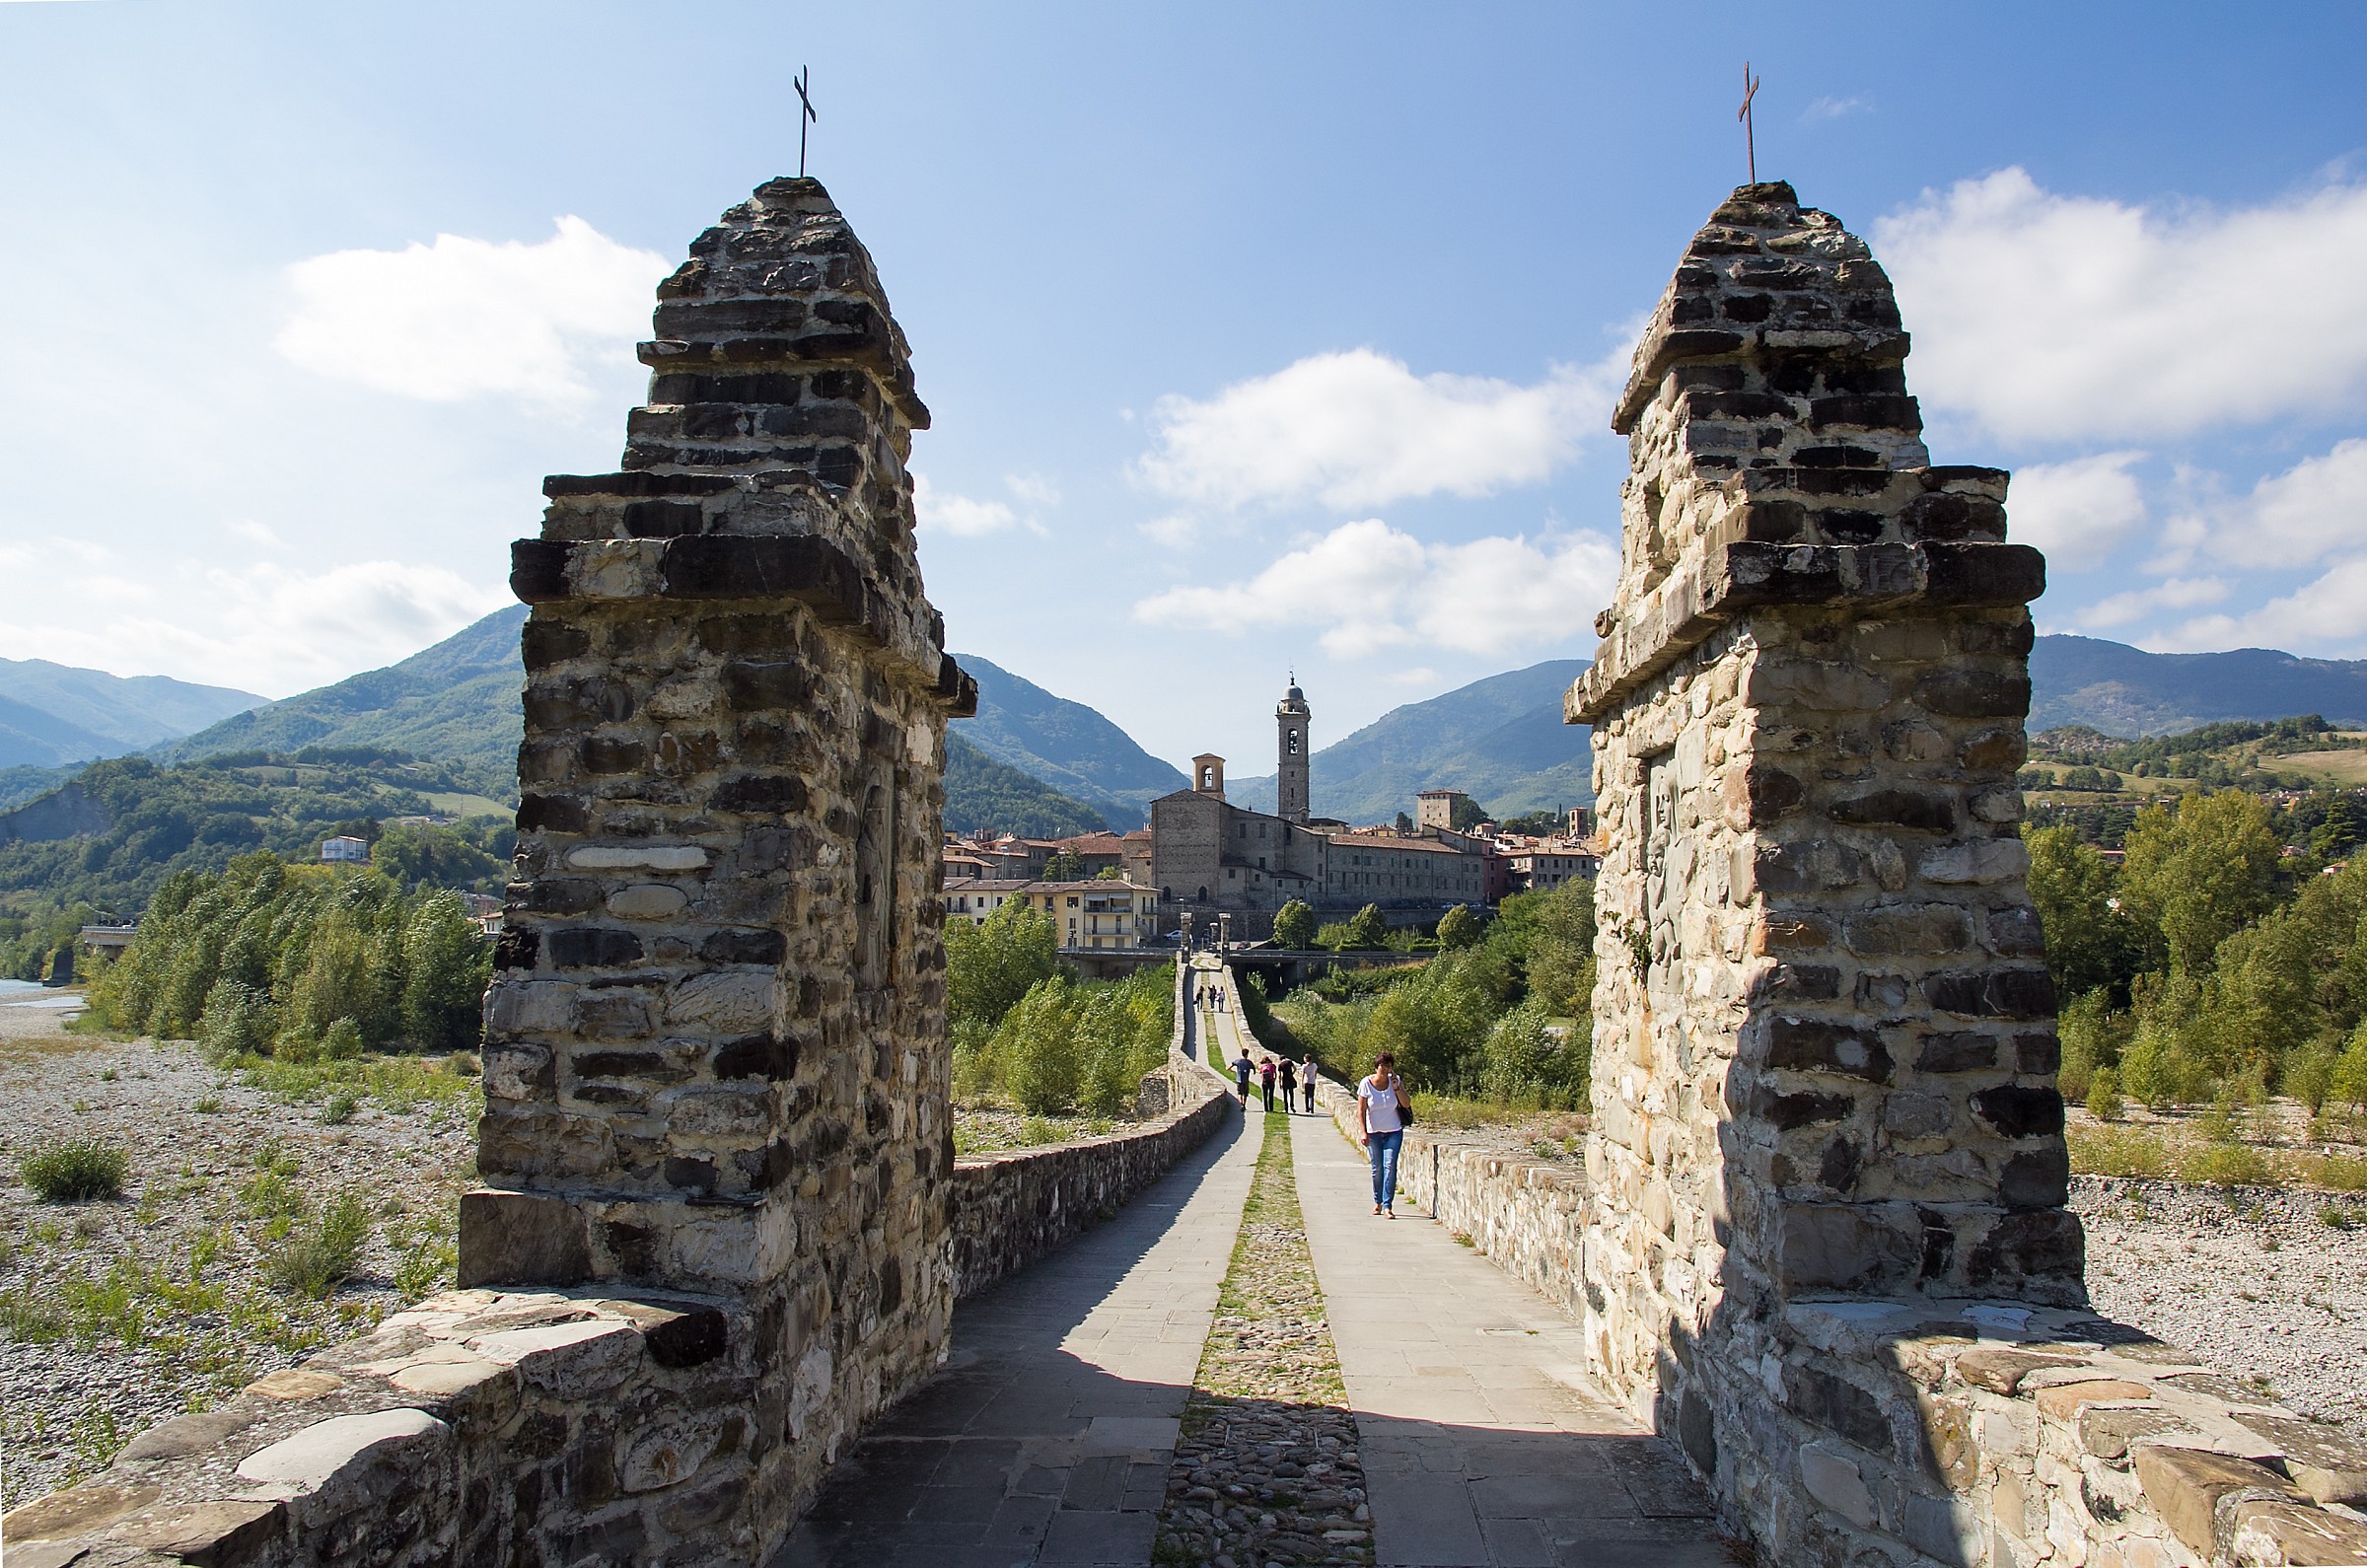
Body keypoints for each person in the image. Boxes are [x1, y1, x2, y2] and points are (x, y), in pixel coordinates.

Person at [1357, 1051, 1408, 1217]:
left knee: (1390, 1166)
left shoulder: (1396, 1081)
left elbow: (1406, 1103)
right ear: (1376, 1066)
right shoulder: (1366, 1083)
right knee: (1377, 1168)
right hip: (1374, 1133)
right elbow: (1361, 1110)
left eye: (1388, 1066)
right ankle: (1377, 1201)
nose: (1385, 1069)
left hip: (1394, 1131)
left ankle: (1388, 1205)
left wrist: (1396, 1087)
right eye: (1382, 1065)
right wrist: (1363, 1132)